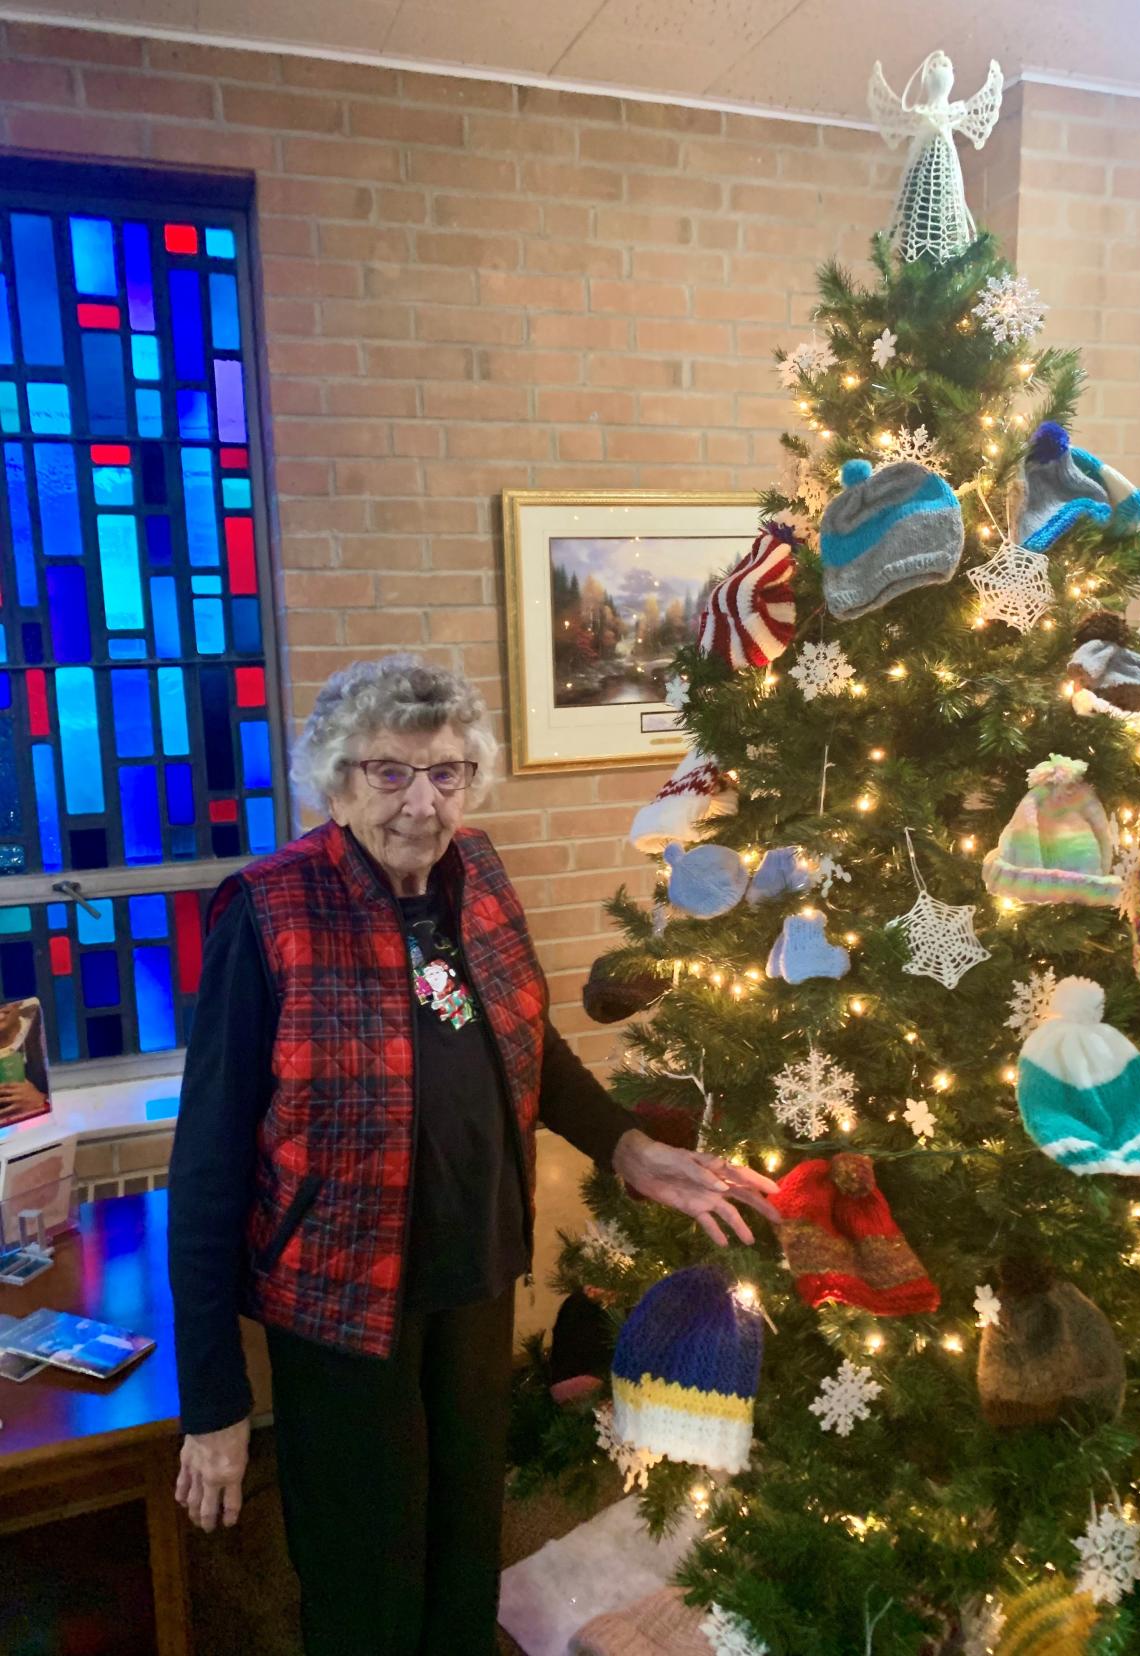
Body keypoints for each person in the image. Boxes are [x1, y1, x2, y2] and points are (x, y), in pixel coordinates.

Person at [167, 655, 779, 1656]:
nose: (421, 803)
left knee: (462, 1557)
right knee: (368, 1572)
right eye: (390, 772)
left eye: (447, 772)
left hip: (476, 1273)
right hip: (341, 1303)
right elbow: (206, 1169)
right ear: (336, 779)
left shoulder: (478, 875)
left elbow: (526, 1040)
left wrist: (625, 1145)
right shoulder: (271, 911)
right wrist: (215, 1402)